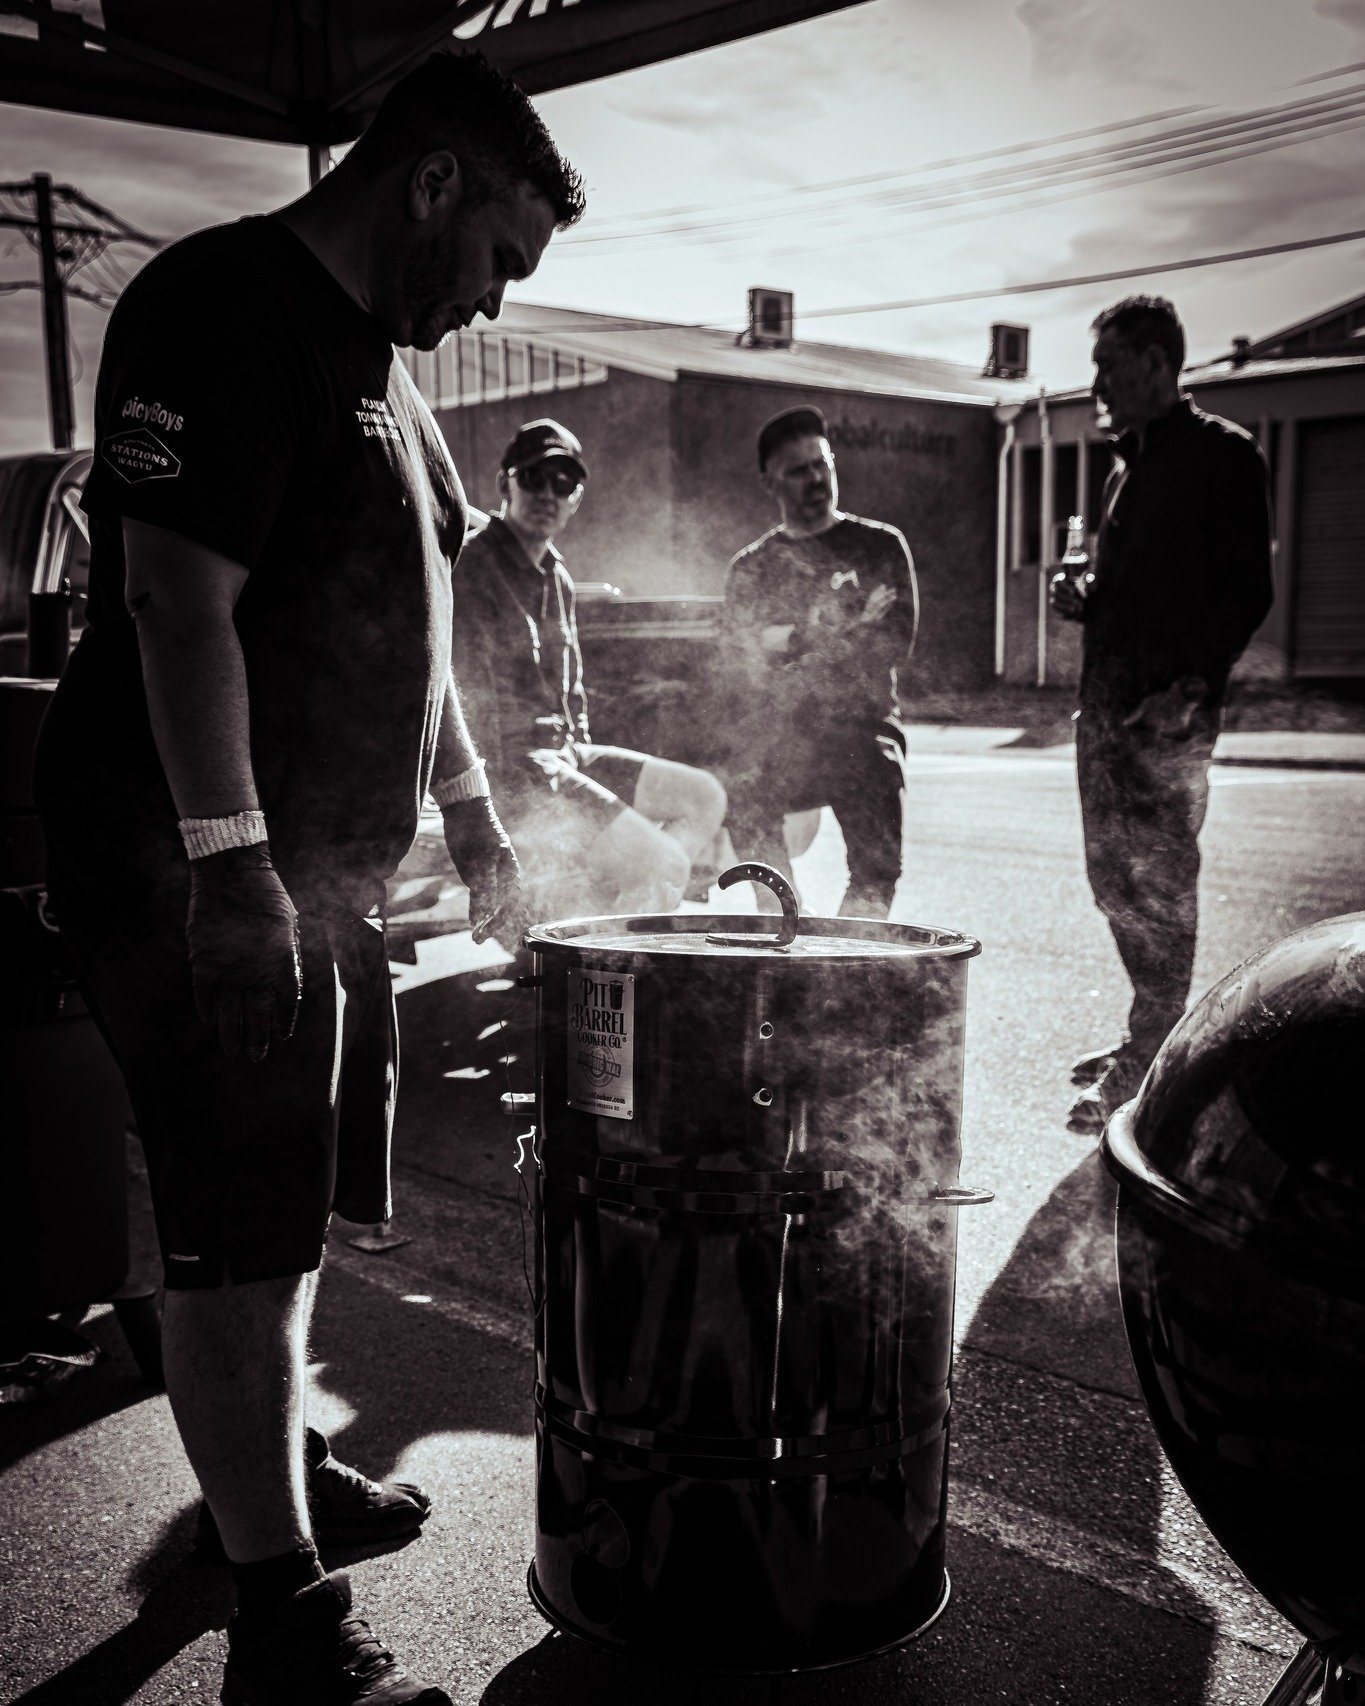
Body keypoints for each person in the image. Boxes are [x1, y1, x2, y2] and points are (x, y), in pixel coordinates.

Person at [33, 51, 584, 1706]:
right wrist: (230, 870)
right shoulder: (222, 305)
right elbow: (171, 604)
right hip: (194, 860)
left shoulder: (391, 383)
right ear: (430, 182)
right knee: (230, 1226)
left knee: (286, 1205)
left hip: (318, 873)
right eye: (499, 253)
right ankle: (281, 1620)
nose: (491, 296)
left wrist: (477, 823)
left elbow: (416, 655)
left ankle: (255, 1470)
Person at [1051, 295, 1273, 1136]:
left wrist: (1187, 691)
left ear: (1154, 362)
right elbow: (1135, 591)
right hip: (1101, 710)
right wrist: (1085, 598)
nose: (1098, 379)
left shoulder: (1224, 458)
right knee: (1111, 882)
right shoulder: (1123, 468)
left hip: (1168, 718)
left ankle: (1149, 1058)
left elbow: (1247, 590)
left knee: (1159, 882)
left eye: (1108, 362)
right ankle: (1149, 1030)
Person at [451, 418, 728, 917]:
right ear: (504, 484)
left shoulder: (558, 578)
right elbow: (465, 700)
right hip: (514, 768)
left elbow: (572, 688)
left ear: (576, 498)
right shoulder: (473, 568)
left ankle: (601, 913)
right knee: (663, 864)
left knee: (704, 796)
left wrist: (580, 755)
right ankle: (601, 966)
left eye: (564, 483)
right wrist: (487, 803)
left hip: (567, 754)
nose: (548, 494)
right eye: (533, 478)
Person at [720, 405, 918, 917]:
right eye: (798, 470)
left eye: (821, 464)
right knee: (741, 781)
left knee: (877, 866)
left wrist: (784, 642)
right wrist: (834, 630)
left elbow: (893, 644)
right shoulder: (752, 567)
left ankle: (848, 969)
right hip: (783, 734)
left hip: (862, 727)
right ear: (771, 482)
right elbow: (740, 661)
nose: (815, 478)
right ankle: (783, 926)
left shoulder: (879, 546)